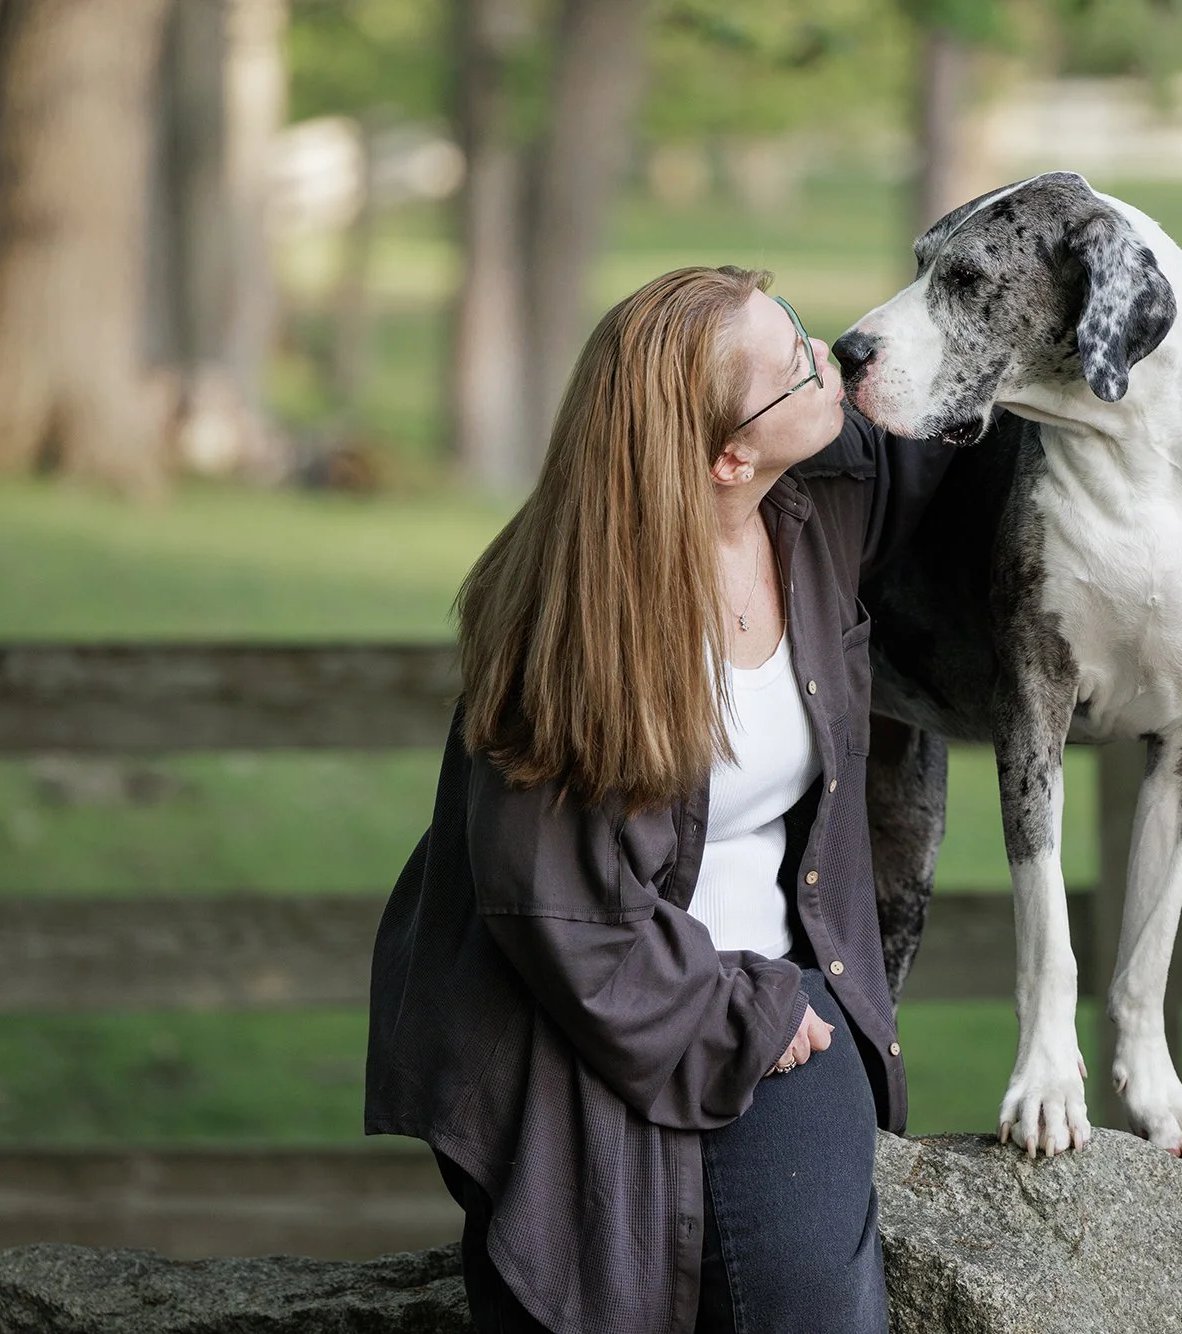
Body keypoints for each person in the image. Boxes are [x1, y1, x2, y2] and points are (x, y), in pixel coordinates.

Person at [365, 265, 954, 1334]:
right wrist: (746, 1014)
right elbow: (560, 912)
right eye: (795, 369)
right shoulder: (577, 630)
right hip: (592, 1026)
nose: (830, 362)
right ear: (728, 457)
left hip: (781, 1004)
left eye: (800, 332)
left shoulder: (814, 494)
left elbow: (954, 425)